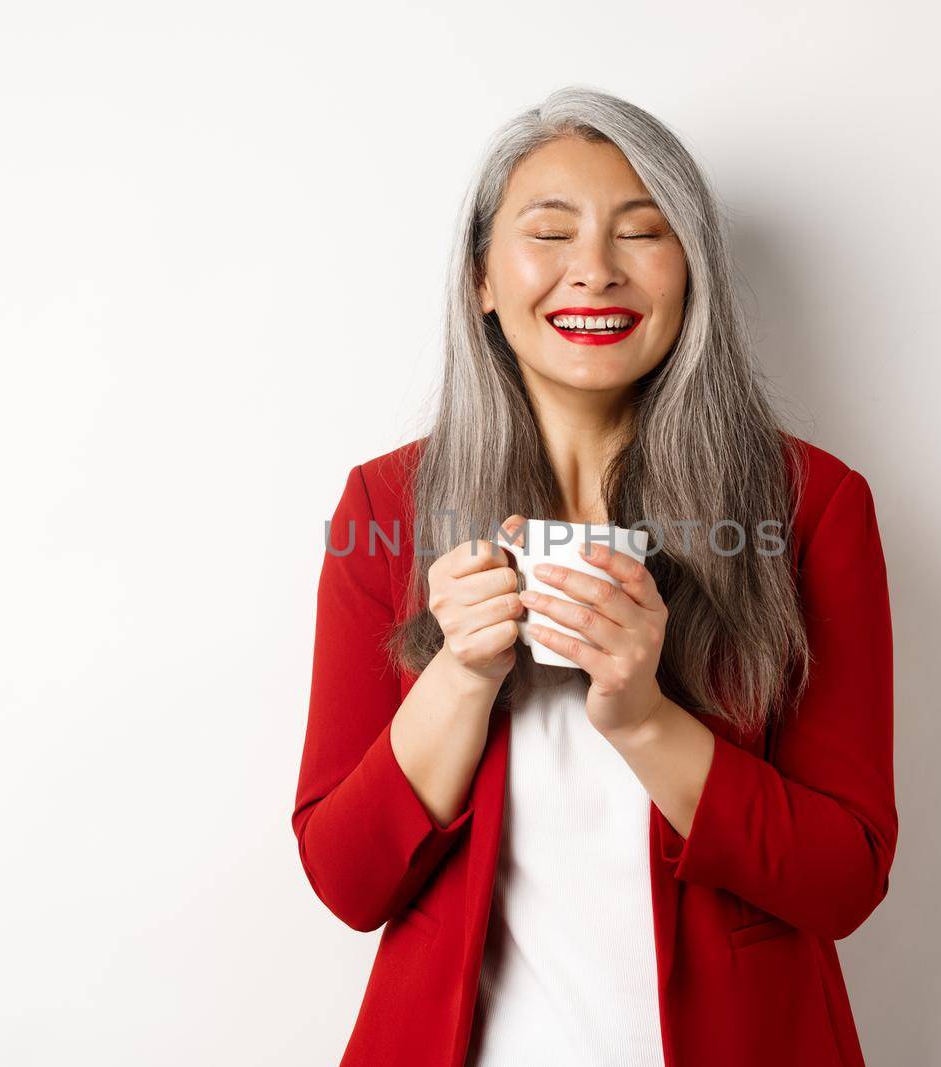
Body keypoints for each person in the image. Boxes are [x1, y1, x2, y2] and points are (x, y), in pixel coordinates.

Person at [292, 85, 896, 1067]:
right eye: (550, 231)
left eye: (641, 232)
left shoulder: (810, 505)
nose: (595, 272)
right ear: (482, 277)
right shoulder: (385, 508)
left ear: (691, 271)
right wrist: (459, 673)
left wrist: (646, 718)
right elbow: (347, 881)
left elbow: (844, 880)